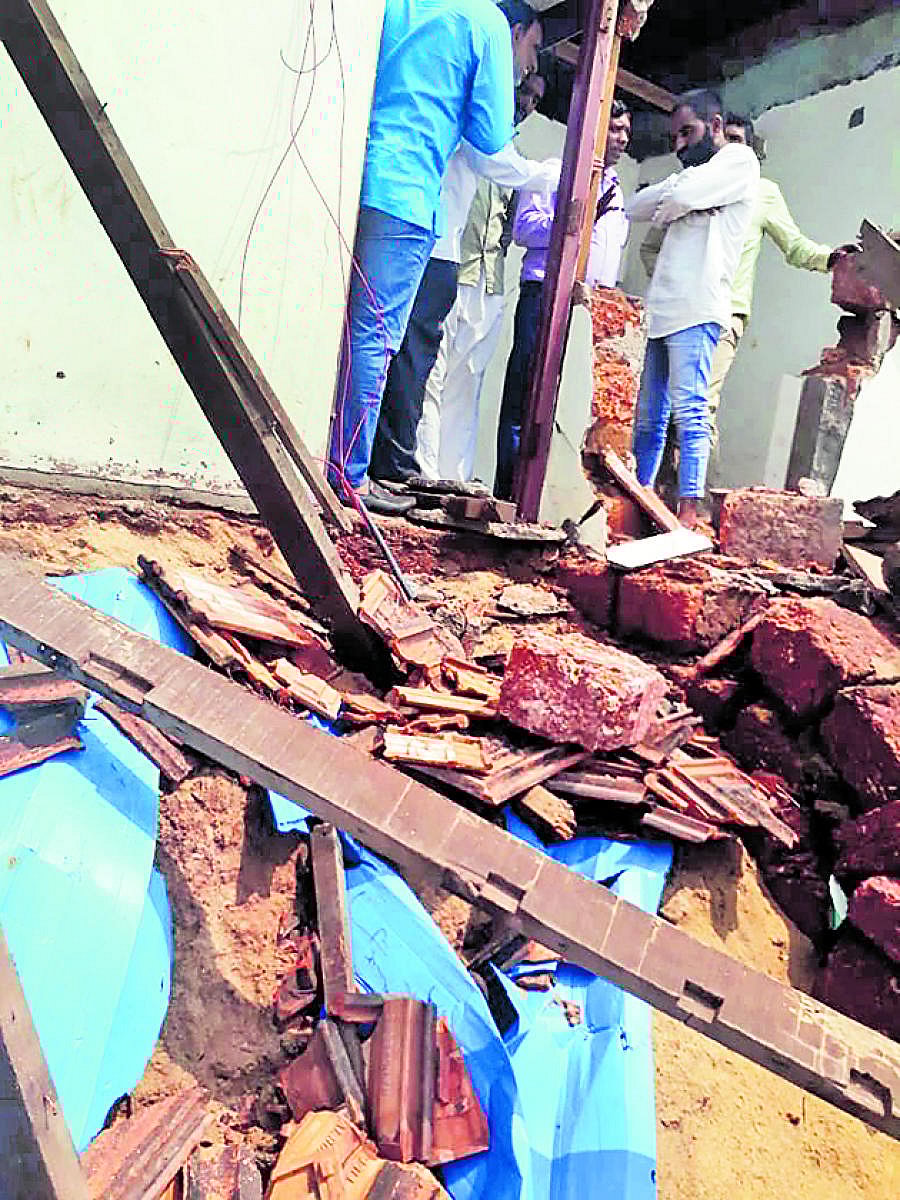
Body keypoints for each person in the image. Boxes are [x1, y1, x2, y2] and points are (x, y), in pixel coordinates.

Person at [327, 0, 519, 516]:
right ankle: (348, 478)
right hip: (406, 191)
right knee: (374, 336)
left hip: (350, 171)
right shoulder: (486, 21)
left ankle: (333, 462)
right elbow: (490, 135)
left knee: (336, 327)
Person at [646, 111, 852, 492]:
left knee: (698, 407)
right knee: (663, 411)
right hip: (682, 311)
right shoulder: (699, 187)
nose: (729, 149)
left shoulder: (763, 191)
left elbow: (795, 246)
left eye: (739, 142)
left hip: (727, 313)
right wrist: (676, 284)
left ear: (752, 151)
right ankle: (656, 498)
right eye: (726, 140)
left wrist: (830, 258)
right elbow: (650, 248)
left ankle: (698, 504)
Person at [625, 90, 760, 527]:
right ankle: (638, 501)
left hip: (699, 309)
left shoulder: (740, 162)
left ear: (716, 125)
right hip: (661, 312)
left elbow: (677, 200)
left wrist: (674, 197)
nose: (680, 145)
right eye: (675, 137)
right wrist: (679, 193)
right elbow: (634, 206)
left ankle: (688, 514)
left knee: (691, 413)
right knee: (649, 420)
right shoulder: (695, 174)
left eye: (688, 132)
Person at [493, 99, 632, 500]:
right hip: (544, 293)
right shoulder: (554, 171)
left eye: (626, 131)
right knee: (526, 394)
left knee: (570, 405)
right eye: (614, 129)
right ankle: (508, 493)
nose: (622, 138)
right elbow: (525, 229)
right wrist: (577, 218)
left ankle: (548, 499)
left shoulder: (616, 189)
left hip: (590, 307)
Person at [415, 72, 550, 483]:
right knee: (432, 376)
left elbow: (511, 227)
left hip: (490, 282)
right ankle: (424, 472)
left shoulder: (516, 158)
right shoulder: (467, 137)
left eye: (535, 99)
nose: (527, 104)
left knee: (468, 380)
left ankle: (453, 478)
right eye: (524, 92)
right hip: (451, 269)